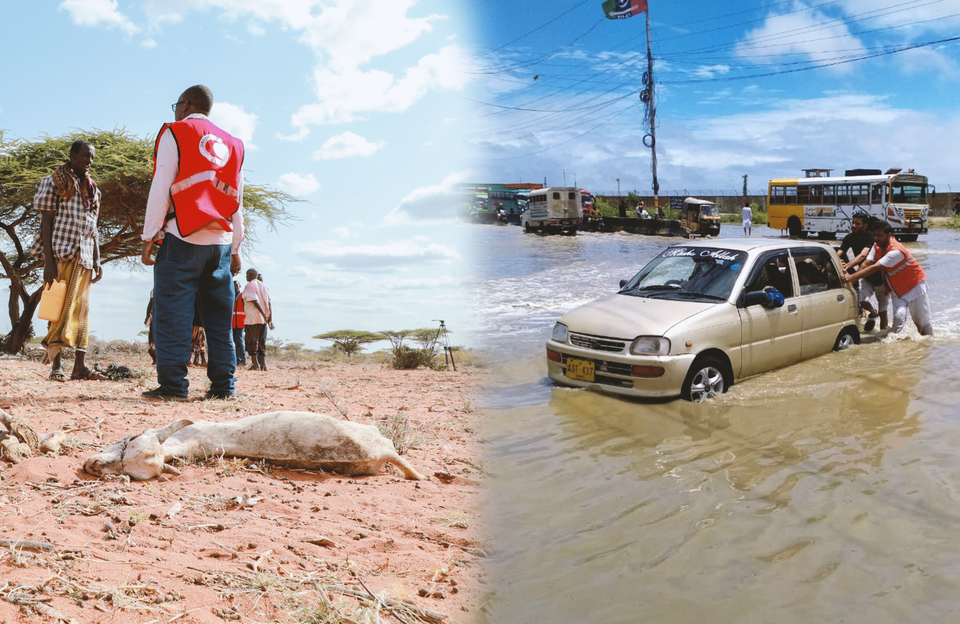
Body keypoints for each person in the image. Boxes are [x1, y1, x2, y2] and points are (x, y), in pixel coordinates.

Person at [141, 85, 244, 401]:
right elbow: (237, 198)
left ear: (186, 105)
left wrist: (149, 236)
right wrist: (236, 247)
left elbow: (161, 187)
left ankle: (173, 387)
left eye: (176, 104)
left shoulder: (175, 132)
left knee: (173, 315)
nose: (174, 110)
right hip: (220, 243)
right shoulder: (233, 143)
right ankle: (223, 389)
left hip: (181, 237)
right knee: (218, 321)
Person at [29, 141, 105, 381]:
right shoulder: (53, 182)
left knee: (82, 312)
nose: (88, 161)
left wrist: (98, 258)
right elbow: (46, 223)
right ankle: (56, 366)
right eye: (84, 156)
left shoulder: (93, 190)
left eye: (91, 158)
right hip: (61, 253)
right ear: (72, 156)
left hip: (85, 258)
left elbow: (93, 228)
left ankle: (80, 367)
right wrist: (48, 261)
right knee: (58, 309)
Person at [842, 221, 932, 336]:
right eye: (875, 235)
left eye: (880, 235)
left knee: (923, 324)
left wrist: (851, 277)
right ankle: (894, 346)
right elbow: (866, 263)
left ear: (889, 235)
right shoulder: (876, 246)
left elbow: (875, 267)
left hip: (914, 287)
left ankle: (928, 345)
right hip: (897, 289)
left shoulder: (896, 251)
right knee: (898, 319)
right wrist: (852, 280)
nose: (876, 238)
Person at [840, 213, 888, 331]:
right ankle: (873, 313)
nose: (854, 226)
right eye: (853, 223)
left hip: (881, 279)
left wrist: (848, 267)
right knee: (863, 301)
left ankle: (883, 336)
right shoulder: (849, 238)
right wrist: (837, 262)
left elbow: (863, 256)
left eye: (858, 223)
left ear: (865, 225)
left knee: (883, 310)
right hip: (867, 278)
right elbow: (839, 252)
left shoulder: (871, 237)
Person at [242, 268, 272, 370]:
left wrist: (263, 313)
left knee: (252, 341)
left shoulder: (250, 285)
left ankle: (256, 364)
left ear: (250, 275)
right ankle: (263, 365)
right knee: (261, 342)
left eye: (247, 275)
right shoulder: (263, 286)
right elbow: (268, 303)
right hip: (263, 320)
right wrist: (266, 316)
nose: (246, 277)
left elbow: (254, 301)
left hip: (253, 318)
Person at [232, 280, 246, 365]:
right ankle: (237, 359)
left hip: (241, 322)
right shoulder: (231, 296)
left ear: (240, 286)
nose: (235, 287)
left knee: (240, 341)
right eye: (234, 286)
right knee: (235, 341)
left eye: (237, 286)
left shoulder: (243, 296)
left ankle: (243, 360)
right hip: (233, 323)